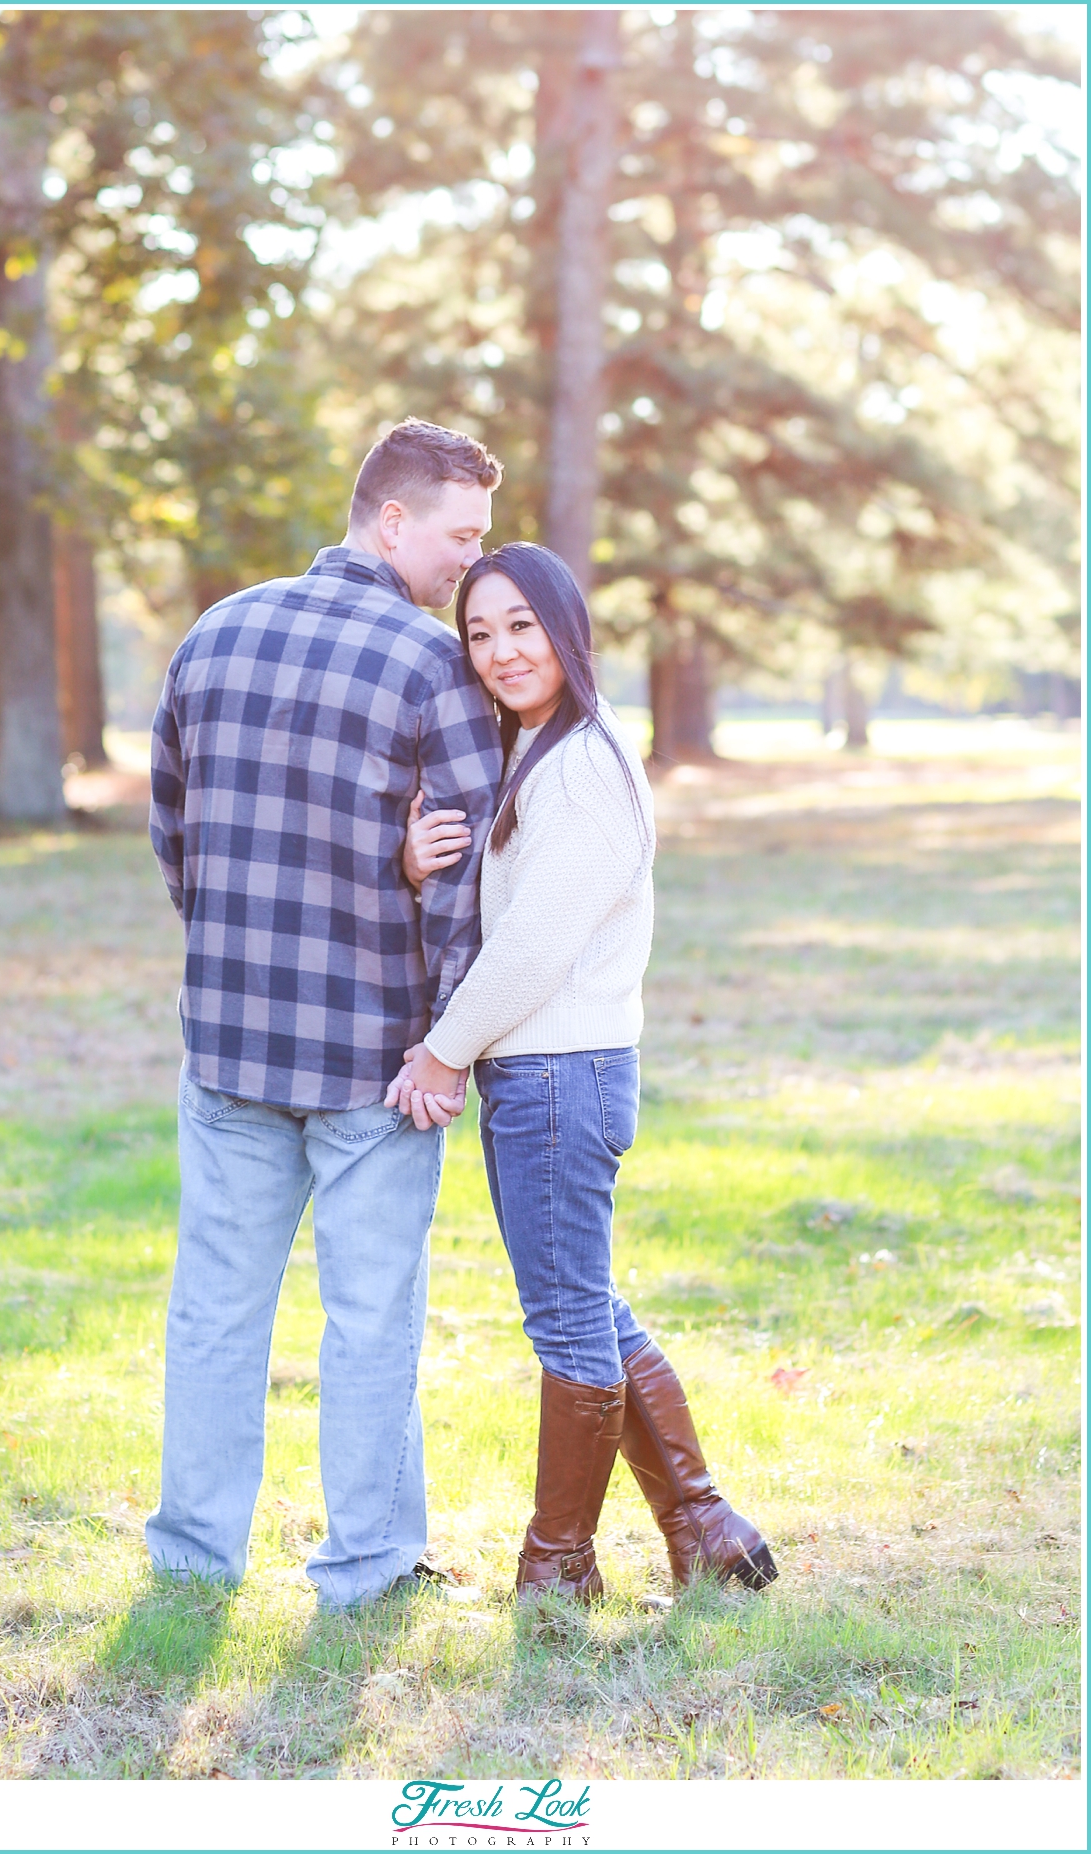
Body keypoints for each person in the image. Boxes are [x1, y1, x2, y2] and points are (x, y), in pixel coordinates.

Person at [146, 418, 505, 1608]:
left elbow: (174, 835)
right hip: (374, 1058)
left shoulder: (215, 631)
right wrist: (444, 1042)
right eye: (460, 536)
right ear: (392, 520)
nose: (469, 562)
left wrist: (239, 946)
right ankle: (367, 1568)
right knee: (367, 1322)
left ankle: (194, 1565)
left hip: (231, 1041)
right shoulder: (429, 662)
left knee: (213, 1311)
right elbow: (460, 879)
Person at [390, 543, 777, 1601]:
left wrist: (440, 1050)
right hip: (553, 1075)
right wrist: (421, 862)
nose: (500, 651)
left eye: (521, 626)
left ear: (567, 629)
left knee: (567, 1321)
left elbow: (533, 947)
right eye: (479, 632)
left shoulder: (584, 764)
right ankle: (707, 1528)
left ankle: (558, 1567)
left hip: (559, 1076)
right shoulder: (543, 751)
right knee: (587, 1305)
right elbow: (508, 909)